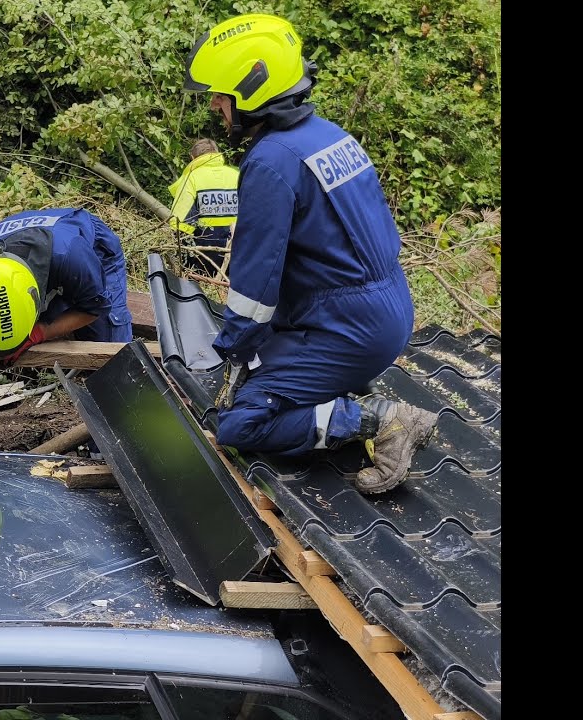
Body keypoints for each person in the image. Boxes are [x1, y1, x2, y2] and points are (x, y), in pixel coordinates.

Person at [183, 14, 437, 494]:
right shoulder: (330, 137)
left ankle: (383, 420)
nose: (215, 104)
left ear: (254, 88)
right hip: (383, 309)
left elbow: (255, 286)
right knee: (268, 374)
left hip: (347, 327)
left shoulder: (270, 161)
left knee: (240, 424)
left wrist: (233, 356)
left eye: (221, 93)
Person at [0, 208, 133, 445]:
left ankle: (110, 445)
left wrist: (43, 332)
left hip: (88, 248)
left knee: (110, 348)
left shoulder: (70, 254)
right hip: (22, 254)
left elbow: (94, 308)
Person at [167, 137, 239, 278]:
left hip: (203, 256)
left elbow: (179, 224)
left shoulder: (191, 179)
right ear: (217, 153)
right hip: (238, 251)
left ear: (193, 157)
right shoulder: (237, 176)